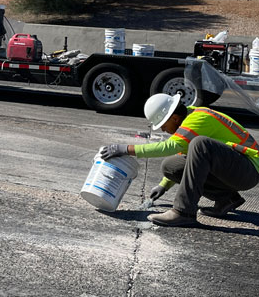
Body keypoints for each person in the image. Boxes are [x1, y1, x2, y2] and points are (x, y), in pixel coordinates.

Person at [100, 93, 259, 227]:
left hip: (248, 170)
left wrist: (126, 149)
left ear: (175, 118)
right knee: (171, 167)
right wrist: (164, 185)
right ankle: (227, 199)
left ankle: (183, 212)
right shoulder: (188, 120)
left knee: (200, 144)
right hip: (234, 168)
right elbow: (186, 158)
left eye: (163, 124)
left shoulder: (199, 118)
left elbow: (169, 147)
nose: (163, 129)